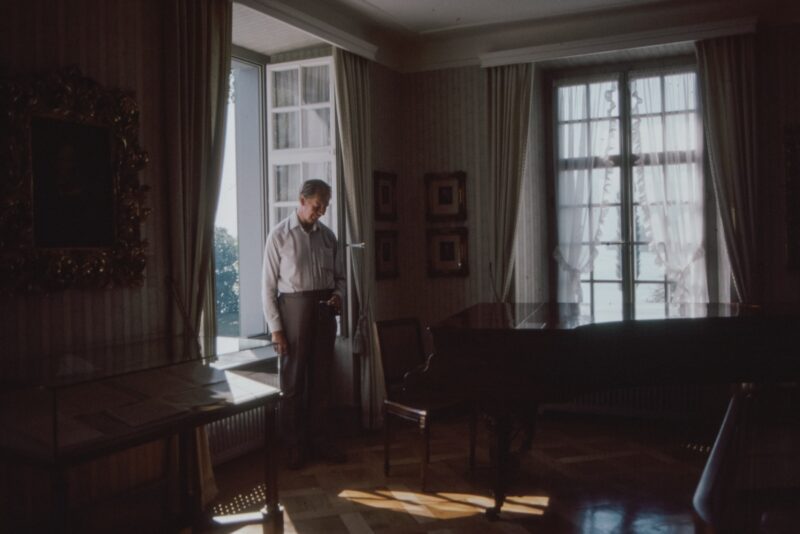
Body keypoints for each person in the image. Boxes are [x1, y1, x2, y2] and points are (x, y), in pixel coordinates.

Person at [261, 179, 347, 469]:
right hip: (293, 311)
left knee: (322, 381)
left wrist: (337, 295)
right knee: (293, 383)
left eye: (324, 207)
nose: (321, 211)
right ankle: (293, 447)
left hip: (324, 311)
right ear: (301, 200)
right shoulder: (279, 236)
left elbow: (341, 278)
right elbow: (267, 287)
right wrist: (277, 330)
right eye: (316, 205)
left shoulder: (328, 237)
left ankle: (320, 441)